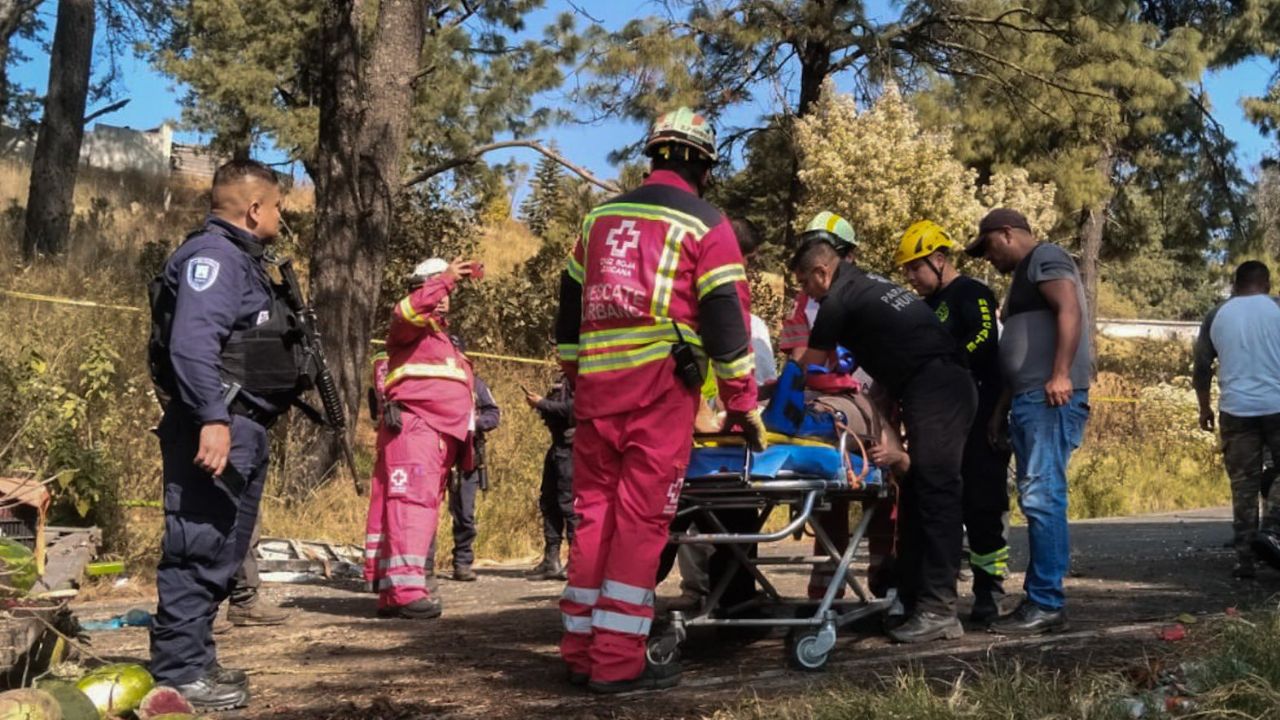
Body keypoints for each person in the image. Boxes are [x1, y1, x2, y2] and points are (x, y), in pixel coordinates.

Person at [555, 106, 764, 693]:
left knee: (593, 519)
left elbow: (568, 305)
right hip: (659, 399)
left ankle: (578, 649)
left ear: (654, 155)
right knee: (642, 524)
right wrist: (742, 404)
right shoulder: (707, 226)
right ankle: (618, 664)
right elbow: (727, 321)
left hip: (597, 397)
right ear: (704, 164)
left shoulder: (598, 220)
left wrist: (577, 374)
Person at [147, 159, 300, 710]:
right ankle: (179, 671)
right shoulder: (214, 258)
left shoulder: (243, 261)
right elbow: (192, 344)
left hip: (242, 425)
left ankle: (197, 659)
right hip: (217, 424)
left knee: (224, 548)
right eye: (278, 207)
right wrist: (212, 417)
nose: (280, 217)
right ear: (254, 208)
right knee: (198, 545)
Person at [792, 237, 976, 644]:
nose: (806, 293)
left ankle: (938, 609)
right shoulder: (869, 286)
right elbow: (890, 358)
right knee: (913, 490)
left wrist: (772, 393)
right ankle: (910, 601)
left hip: (938, 386)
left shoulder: (837, 299)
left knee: (935, 491)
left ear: (823, 272)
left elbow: (810, 368)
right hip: (935, 383)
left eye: (806, 283)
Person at [964, 208, 1090, 636]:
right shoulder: (1024, 276)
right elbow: (1020, 349)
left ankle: (1047, 602)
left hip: (1049, 396)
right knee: (1037, 495)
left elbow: (1069, 309)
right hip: (1028, 397)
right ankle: (1040, 597)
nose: (988, 258)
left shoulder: (1046, 257)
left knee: (1043, 496)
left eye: (988, 248)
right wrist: (1002, 408)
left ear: (1006, 233)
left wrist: (1060, 374)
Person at [895, 220, 1011, 624]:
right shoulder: (922, 308)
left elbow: (983, 337)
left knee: (984, 506)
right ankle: (925, 592)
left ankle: (988, 592)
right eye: (906, 270)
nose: (910, 277)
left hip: (981, 416)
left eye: (915, 267)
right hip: (938, 423)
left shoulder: (973, 292)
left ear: (939, 260)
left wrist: (946, 364)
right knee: (937, 505)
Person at [367, 257, 478, 619]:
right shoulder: (409, 328)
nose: (444, 295)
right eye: (433, 286)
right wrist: (445, 279)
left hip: (433, 435)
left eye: (447, 289)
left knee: (413, 508)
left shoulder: (441, 339)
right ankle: (406, 591)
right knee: (410, 508)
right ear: (419, 288)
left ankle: (392, 591)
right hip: (416, 429)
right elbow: (405, 314)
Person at [1192, 261, 1280, 579]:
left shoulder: (1217, 315)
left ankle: (1244, 559)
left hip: (1236, 409)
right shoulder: (1277, 308)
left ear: (1235, 284)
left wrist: (1205, 409)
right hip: (1277, 406)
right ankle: (1272, 533)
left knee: (1243, 484)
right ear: (1267, 284)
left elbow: (1201, 369)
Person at [427, 353, 500, 583]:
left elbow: (493, 414)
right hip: (437, 456)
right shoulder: (434, 384)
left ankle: (462, 562)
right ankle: (425, 564)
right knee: (427, 511)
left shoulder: (476, 385)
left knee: (464, 514)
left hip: (468, 460)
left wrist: (474, 423)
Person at [525, 373, 575, 581]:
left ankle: (577, 561)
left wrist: (542, 403)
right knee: (549, 501)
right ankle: (551, 560)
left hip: (573, 447)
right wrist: (541, 405)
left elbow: (576, 408)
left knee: (569, 504)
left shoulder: (582, 375)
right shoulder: (562, 377)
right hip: (557, 445)